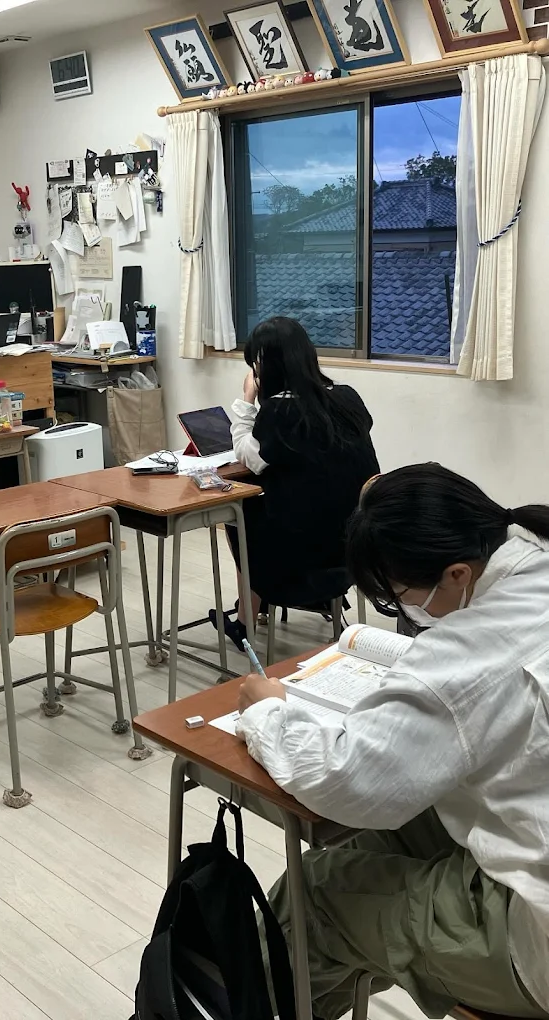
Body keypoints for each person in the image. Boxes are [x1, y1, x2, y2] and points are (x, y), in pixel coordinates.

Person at [236, 463, 549, 1020]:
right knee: (372, 842)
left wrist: (267, 712)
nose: (403, 610)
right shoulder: (535, 551)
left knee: (317, 895)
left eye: (397, 596)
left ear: (457, 574)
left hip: (534, 938)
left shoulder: (467, 653)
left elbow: (345, 779)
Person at [212, 316, 379, 650]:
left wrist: (246, 399)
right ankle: (305, 601)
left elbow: (250, 457)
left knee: (240, 514)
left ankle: (246, 620)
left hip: (299, 558)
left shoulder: (280, 410)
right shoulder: (347, 398)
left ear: (266, 367)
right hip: (355, 547)